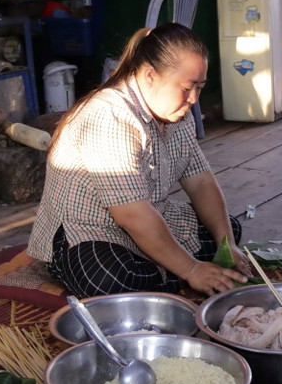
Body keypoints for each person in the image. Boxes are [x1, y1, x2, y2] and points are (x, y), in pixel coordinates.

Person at [28, 23, 253, 298]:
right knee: (107, 280)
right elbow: (132, 216)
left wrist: (226, 244)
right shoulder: (108, 117)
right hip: (90, 232)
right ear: (149, 76)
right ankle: (175, 271)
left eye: (200, 87)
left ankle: (167, 269)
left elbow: (201, 182)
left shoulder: (178, 114)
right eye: (186, 87)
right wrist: (192, 270)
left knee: (228, 229)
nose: (194, 98)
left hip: (151, 218)